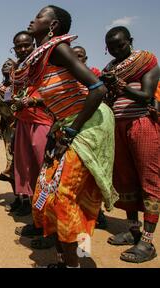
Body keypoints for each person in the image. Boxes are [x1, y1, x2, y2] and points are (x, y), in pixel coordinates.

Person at [15, 6, 118, 268]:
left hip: (89, 125)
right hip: (67, 125)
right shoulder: (43, 58)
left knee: (64, 195)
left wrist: (71, 130)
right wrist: (58, 127)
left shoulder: (60, 49)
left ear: (53, 26)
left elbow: (97, 89)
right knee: (46, 192)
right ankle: (66, 259)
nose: (32, 19)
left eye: (39, 16)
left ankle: (73, 264)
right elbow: (57, 98)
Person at [101, 26, 159, 263]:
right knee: (125, 179)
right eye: (111, 48)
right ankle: (133, 229)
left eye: (120, 45)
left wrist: (122, 86)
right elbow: (108, 98)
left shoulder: (147, 62)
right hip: (119, 126)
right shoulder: (110, 68)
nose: (116, 50)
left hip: (142, 124)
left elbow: (146, 95)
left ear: (130, 41)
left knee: (148, 179)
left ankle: (147, 241)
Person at [9, 31, 53, 217]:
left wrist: (33, 101)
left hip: (41, 121)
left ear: (34, 45)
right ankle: (37, 216)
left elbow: (53, 90)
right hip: (23, 121)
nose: (23, 49)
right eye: (18, 46)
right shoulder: (18, 69)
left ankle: (49, 217)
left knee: (44, 167)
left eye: (27, 45)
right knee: (25, 167)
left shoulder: (44, 63)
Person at [72, 45, 108, 230]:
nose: (78, 60)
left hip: (93, 129)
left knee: (94, 171)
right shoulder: (68, 77)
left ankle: (97, 212)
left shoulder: (94, 74)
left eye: (81, 57)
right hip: (74, 128)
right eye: (74, 56)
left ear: (86, 59)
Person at [0, 58, 17, 199]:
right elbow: (4, 114)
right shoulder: (2, 89)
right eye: (4, 64)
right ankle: (18, 198)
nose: (5, 65)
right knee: (10, 164)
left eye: (9, 64)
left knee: (20, 165)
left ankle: (27, 201)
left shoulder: (19, 86)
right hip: (8, 131)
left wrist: (16, 132)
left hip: (21, 129)